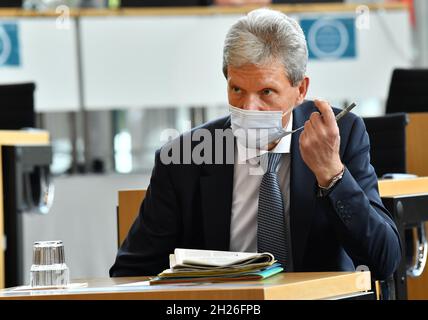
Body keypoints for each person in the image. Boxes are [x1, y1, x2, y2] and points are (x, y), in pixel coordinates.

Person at [110, 8, 401, 280]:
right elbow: (130, 272)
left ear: (301, 90)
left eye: (266, 92)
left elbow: (383, 262)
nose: (249, 106)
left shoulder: (340, 134)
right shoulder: (185, 155)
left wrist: (332, 176)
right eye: (237, 89)